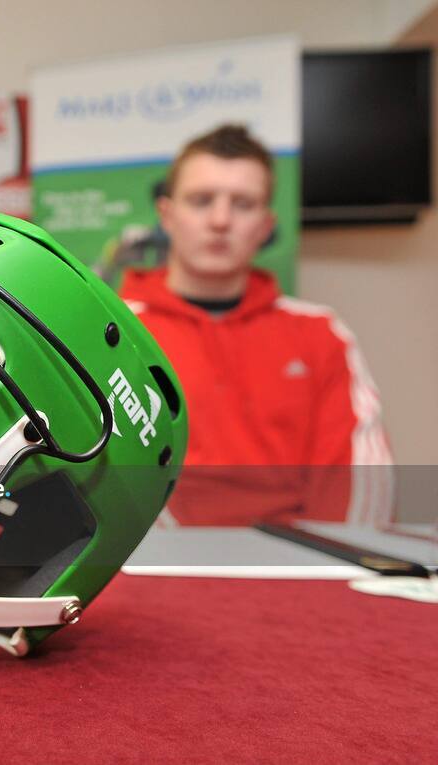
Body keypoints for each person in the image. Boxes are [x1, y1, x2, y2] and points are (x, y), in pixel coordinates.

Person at [118, 124, 392, 526]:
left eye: (243, 204)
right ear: (167, 215)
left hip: (297, 564)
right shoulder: (114, 332)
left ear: (265, 226)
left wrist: (330, 576)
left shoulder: (321, 334)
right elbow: (104, 477)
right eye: (201, 200)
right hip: (153, 560)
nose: (221, 219)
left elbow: (358, 481)